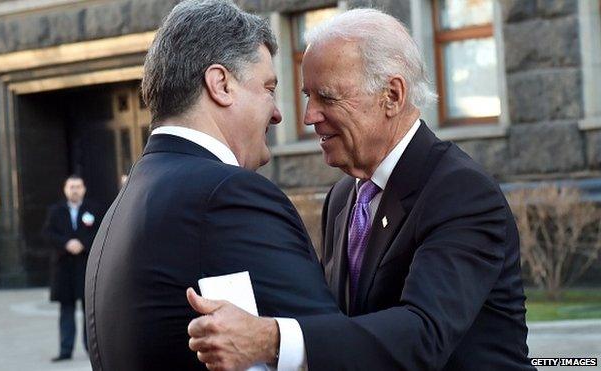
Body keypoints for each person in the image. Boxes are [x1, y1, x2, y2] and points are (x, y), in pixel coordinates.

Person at [187, 8, 535, 371]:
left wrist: (270, 340)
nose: (309, 116)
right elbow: (341, 327)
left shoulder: (461, 192)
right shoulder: (343, 197)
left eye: (327, 97)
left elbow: (423, 334)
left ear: (393, 95)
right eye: (308, 96)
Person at [84, 1, 340, 370]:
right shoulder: (227, 195)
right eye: (268, 87)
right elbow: (328, 348)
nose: (278, 112)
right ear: (221, 84)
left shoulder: (127, 200)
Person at [42, 175, 102, 362]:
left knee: (89, 311)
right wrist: (66, 243)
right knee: (66, 310)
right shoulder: (55, 210)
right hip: (64, 268)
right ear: (65, 189)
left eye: (78, 186)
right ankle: (65, 350)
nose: (75, 190)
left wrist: (82, 244)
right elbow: (48, 233)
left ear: (83, 189)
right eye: (71, 187)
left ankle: (91, 349)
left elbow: (100, 231)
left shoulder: (94, 209)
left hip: (86, 267)